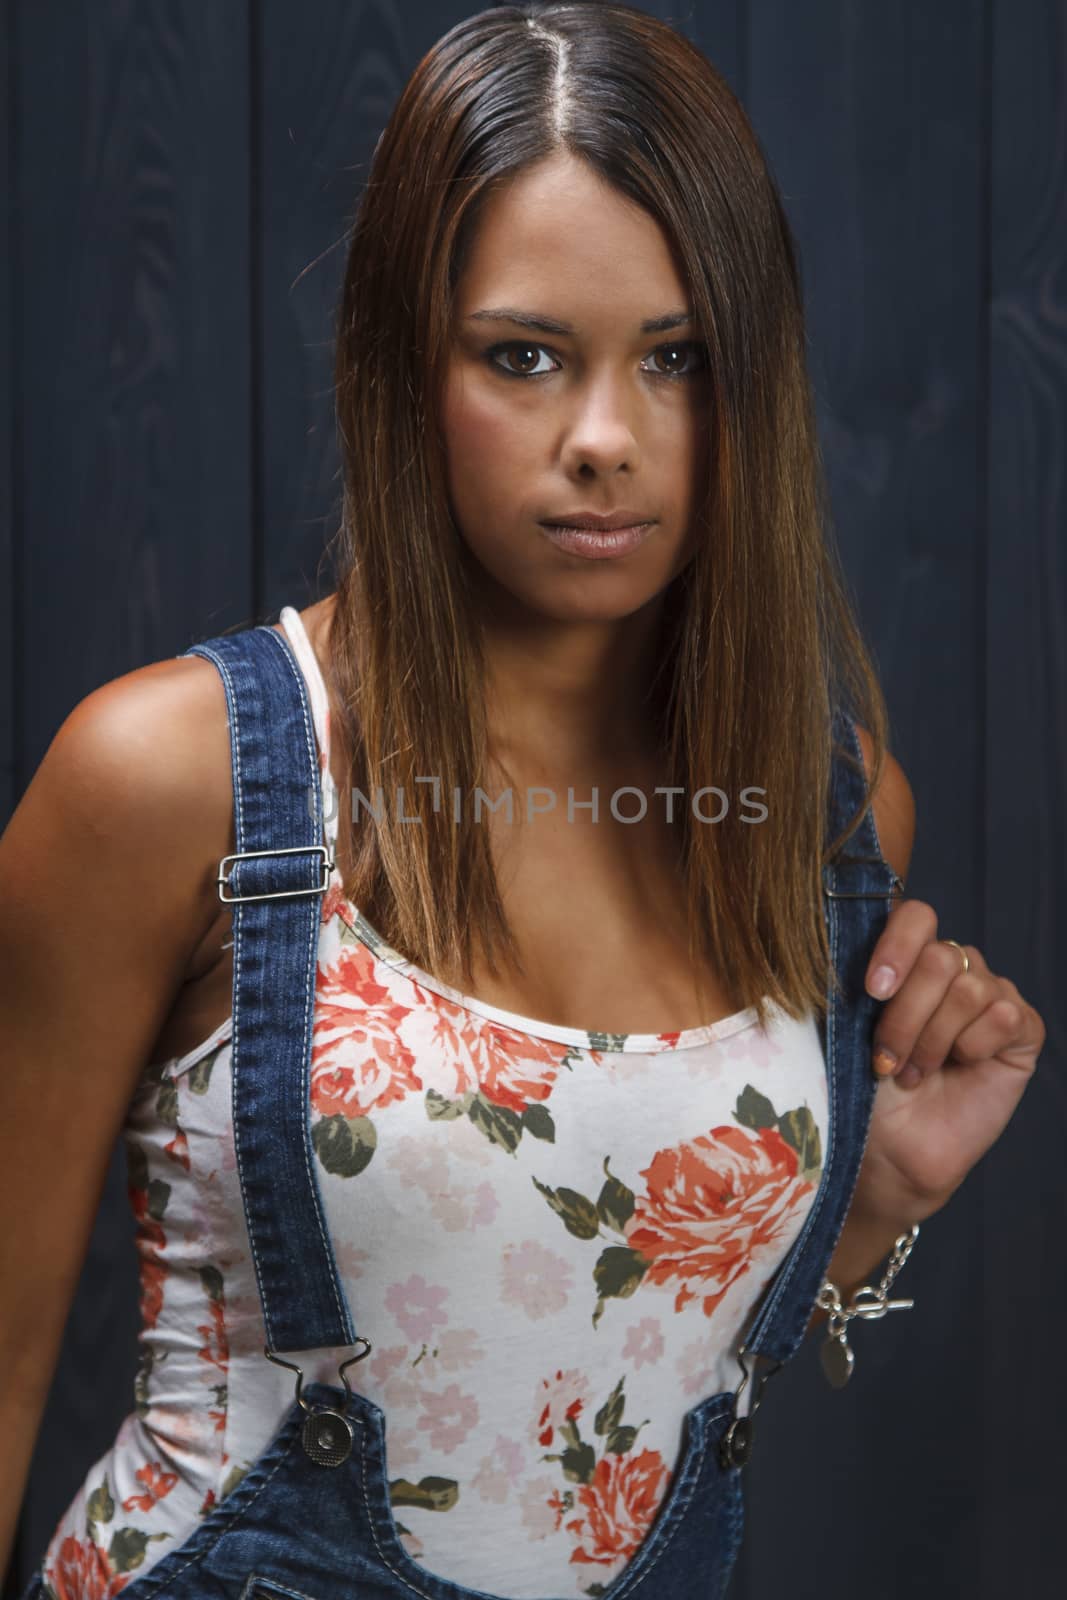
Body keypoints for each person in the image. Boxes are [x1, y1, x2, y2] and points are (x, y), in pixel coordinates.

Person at [0, 3, 1045, 1598]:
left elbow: (586, 1352)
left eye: (677, 359)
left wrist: (868, 1192)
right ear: (404, 364)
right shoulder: (173, 778)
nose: (605, 441)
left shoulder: (827, 817)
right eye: (526, 356)